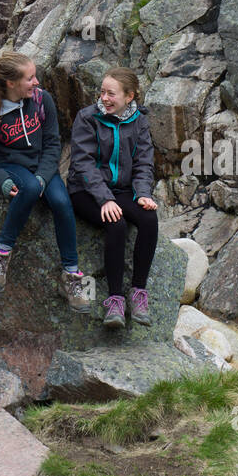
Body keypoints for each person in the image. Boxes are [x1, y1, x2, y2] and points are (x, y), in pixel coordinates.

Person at [0, 50, 88, 310]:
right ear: (11, 83)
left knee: (61, 202)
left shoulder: (41, 100)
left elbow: (52, 144)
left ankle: (71, 274)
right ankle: (1, 254)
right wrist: (2, 180)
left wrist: (43, 176)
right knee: (30, 188)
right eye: (30, 78)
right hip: (11, 166)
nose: (37, 82)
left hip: (42, 166)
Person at [67, 67, 158, 328]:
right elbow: (83, 164)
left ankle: (139, 294)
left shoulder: (139, 120)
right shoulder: (87, 118)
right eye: (102, 92)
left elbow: (144, 162)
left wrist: (142, 194)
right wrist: (105, 199)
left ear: (129, 97)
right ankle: (115, 301)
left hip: (122, 190)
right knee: (116, 224)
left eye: (111, 94)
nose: (104, 98)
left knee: (149, 220)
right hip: (85, 190)